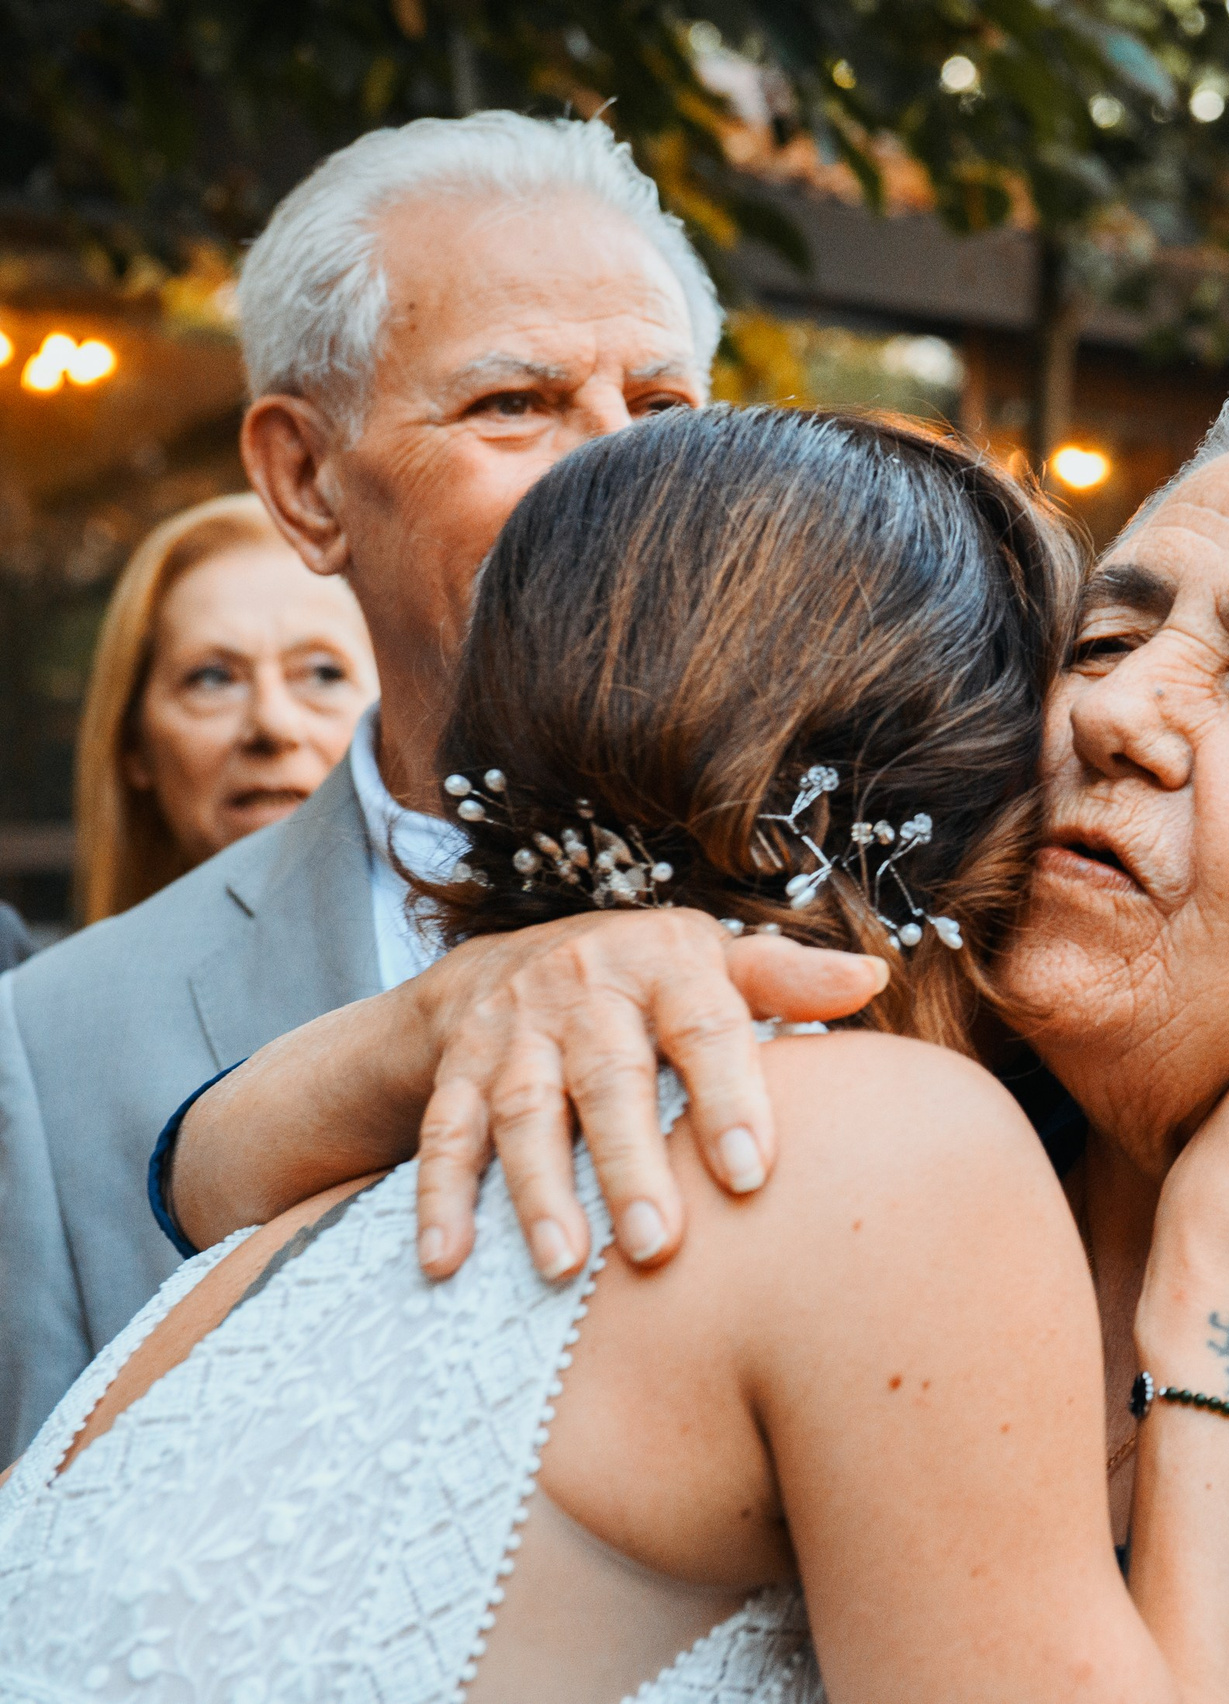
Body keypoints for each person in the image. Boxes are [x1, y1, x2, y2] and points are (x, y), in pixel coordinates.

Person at [170, 343, 1229, 1701]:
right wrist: (467, 997)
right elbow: (203, 1183)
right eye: (1110, 632)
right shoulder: (945, 1104)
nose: (1116, 708)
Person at [0, 404, 1229, 1700]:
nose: (1109, 737)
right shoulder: (880, 1149)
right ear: (956, 788)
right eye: (1076, 677)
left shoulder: (260, 1247)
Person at [0, 110, 716, 1450]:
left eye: (665, 407)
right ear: (308, 481)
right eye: (516, 403)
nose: (627, 469)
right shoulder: (55, 1050)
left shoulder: (904, 920)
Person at [73, 492, 378, 924]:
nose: (273, 724)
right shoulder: (49, 991)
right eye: (212, 679)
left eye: (322, 673)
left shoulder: (494, 980)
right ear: (133, 743)